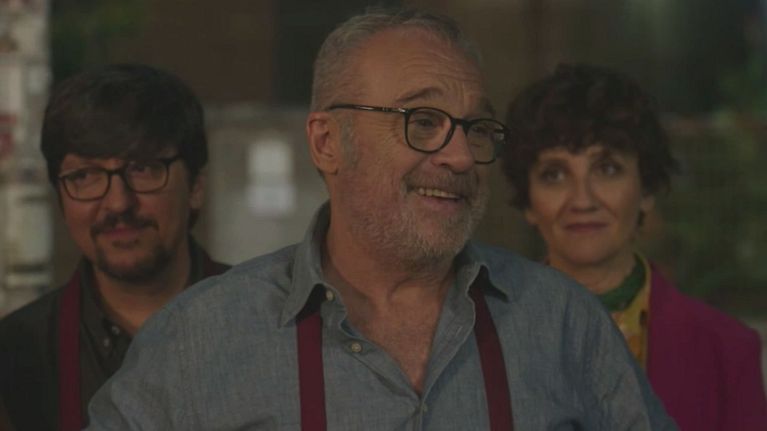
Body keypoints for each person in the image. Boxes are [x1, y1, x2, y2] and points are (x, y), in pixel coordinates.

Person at [86, 11, 676, 430]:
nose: (461, 157)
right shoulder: (199, 340)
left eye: (474, 127)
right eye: (423, 121)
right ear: (327, 142)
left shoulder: (564, 323)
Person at [501, 63, 767, 430]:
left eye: (607, 169)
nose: (582, 200)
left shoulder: (728, 350)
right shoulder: (479, 341)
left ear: (647, 191)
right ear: (529, 203)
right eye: (555, 174)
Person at [0, 64, 230, 431]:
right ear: (60, 198)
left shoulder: (273, 326)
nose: (118, 203)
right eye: (84, 176)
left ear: (196, 186)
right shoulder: (17, 356)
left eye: (143, 169)